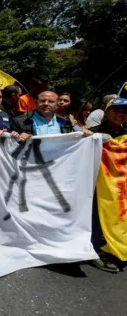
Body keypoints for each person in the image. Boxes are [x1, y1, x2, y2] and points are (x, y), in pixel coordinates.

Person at [88, 97, 127, 273]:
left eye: (124, 112)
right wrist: (89, 137)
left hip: (119, 185)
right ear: (107, 112)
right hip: (97, 183)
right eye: (116, 110)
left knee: (118, 217)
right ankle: (94, 252)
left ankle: (114, 248)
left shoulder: (125, 132)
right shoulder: (93, 131)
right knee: (96, 217)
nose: (120, 114)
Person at [10, 91, 92, 140]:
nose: (46, 104)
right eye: (42, 101)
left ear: (57, 105)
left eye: (51, 101)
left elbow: (69, 142)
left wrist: (82, 135)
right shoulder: (19, 121)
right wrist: (17, 137)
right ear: (36, 103)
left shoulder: (65, 123)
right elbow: (9, 145)